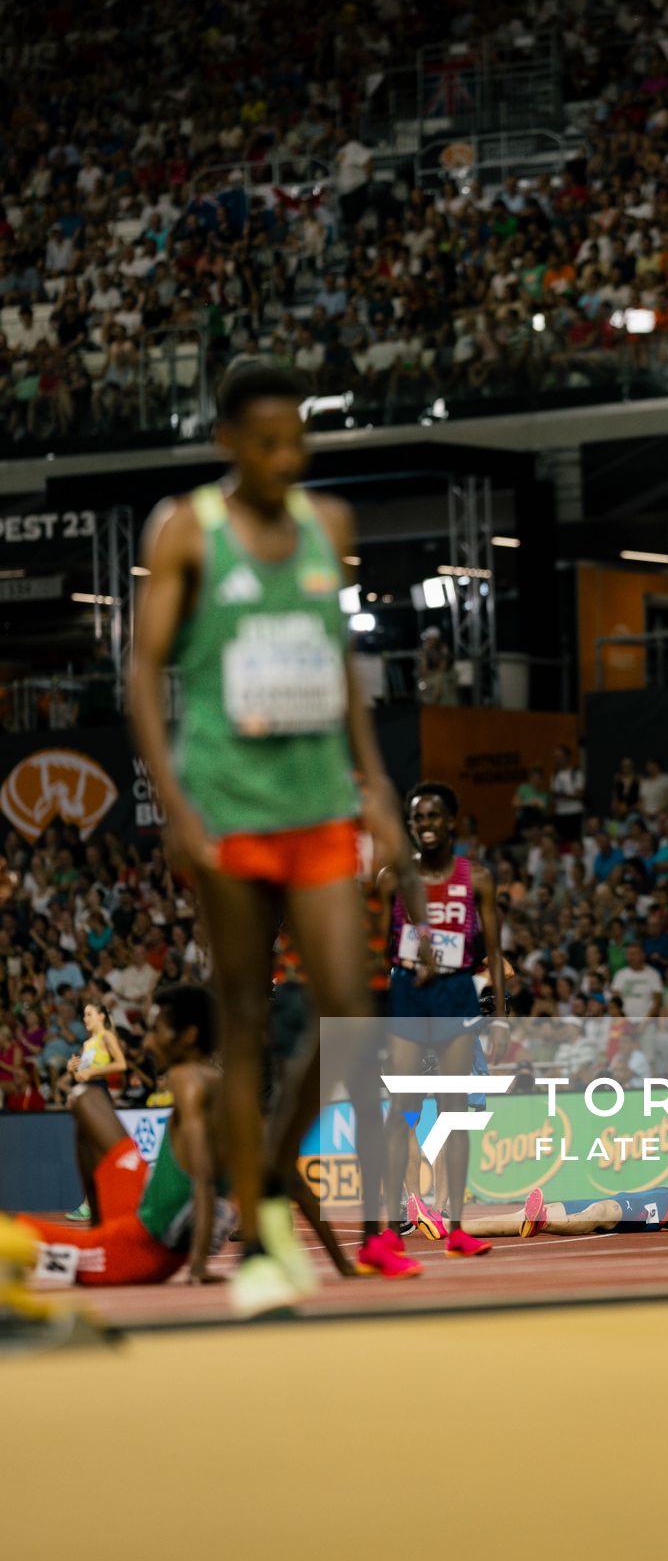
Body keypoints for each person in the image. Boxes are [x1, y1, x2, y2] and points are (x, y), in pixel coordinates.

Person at [129, 359, 425, 1318]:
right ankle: (260, 1247)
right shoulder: (186, 530)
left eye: (297, 440)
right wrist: (173, 801)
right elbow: (142, 673)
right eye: (266, 443)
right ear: (228, 443)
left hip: (317, 803)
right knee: (247, 1015)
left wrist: (375, 784)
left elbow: (338, 662)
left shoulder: (326, 527)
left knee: (351, 1015)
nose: (285, 457)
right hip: (226, 805)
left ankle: (265, 1181)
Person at [7, 984, 232, 1287]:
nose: (148, 1043)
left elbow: (202, 1177)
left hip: (134, 1254)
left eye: (157, 1031)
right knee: (85, 1098)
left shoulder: (184, 1079)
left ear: (188, 1037)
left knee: (6, 1229)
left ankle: (98, 1241)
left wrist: (199, 1265)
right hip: (138, 1217)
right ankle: (100, 1230)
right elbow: (287, 1181)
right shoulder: (221, 1085)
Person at [379, 781, 506, 1260]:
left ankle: (455, 1223)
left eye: (433, 817)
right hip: (409, 997)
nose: (425, 826)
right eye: (417, 819)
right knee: (403, 1108)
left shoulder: (478, 880)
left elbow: (494, 953)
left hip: (455, 997)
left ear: (451, 822)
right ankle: (397, 1218)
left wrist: (502, 1018)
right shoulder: (392, 878)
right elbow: (377, 951)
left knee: (454, 1110)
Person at [411, 1179, 668, 1240]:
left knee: (601, 1211)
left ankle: (544, 1220)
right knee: (524, 1216)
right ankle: (448, 1228)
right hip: (634, 1198)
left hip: (643, 1211)